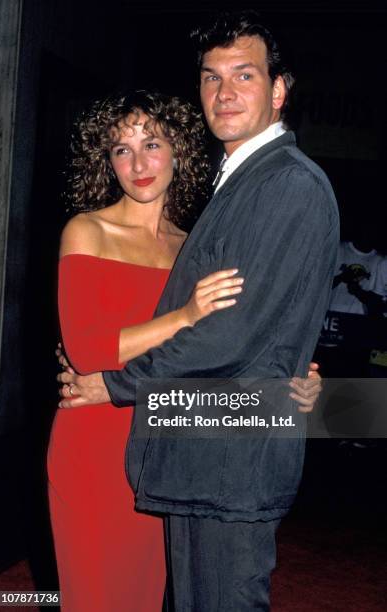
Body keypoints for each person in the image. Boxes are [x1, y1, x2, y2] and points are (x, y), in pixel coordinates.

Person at [58, 11, 338, 611]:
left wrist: (115, 382)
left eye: (244, 75)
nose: (226, 92)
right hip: (181, 448)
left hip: (222, 458)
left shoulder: (284, 184)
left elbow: (232, 332)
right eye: (212, 78)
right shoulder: (232, 188)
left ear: (279, 89)